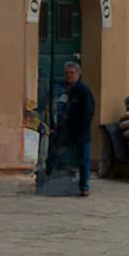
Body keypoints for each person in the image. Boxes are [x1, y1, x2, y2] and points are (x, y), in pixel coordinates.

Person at [44, 62, 97, 196]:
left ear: (78, 74)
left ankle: (84, 187)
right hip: (62, 130)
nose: (69, 76)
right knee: (55, 154)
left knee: (83, 159)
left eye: (72, 73)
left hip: (80, 131)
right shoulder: (59, 88)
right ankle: (49, 179)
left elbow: (88, 111)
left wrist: (82, 127)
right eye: (67, 73)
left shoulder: (83, 90)